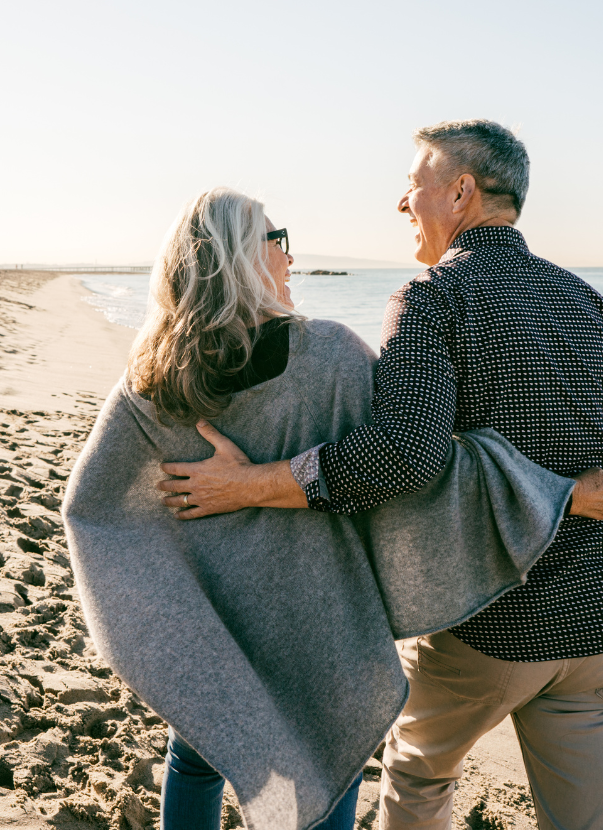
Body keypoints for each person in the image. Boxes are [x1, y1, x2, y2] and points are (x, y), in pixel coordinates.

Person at [157, 122, 603, 830]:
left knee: (420, 776)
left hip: (490, 626)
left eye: (412, 184)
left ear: (459, 192)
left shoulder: (434, 296)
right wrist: (573, 493)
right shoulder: (586, 302)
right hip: (591, 624)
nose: (402, 204)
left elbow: (401, 455)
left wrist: (246, 486)